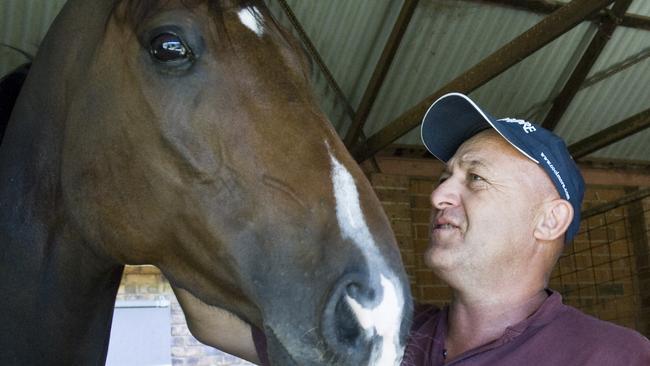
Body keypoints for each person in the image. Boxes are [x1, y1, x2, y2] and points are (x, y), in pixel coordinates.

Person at [194, 92, 650, 365]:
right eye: (443, 177)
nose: (438, 197)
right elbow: (213, 321)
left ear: (549, 220)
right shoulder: (384, 337)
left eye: (475, 178)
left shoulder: (616, 356)